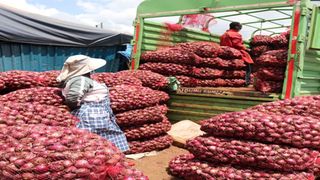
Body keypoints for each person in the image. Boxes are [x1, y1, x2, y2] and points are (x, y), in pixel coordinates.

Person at [56, 55, 129, 152]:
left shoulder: (80, 79)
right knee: (103, 136)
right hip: (92, 114)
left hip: (95, 113)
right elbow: (73, 97)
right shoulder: (81, 80)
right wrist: (74, 107)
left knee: (99, 138)